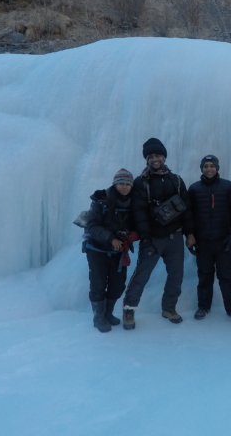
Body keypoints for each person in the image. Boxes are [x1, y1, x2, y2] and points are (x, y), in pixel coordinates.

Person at [122, 138, 195, 329]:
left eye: (158, 155)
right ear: (146, 160)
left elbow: (187, 210)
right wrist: (146, 237)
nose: (155, 159)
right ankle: (129, 310)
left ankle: (169, 308)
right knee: (141, 275)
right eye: (151, 156)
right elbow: (138, 213)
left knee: (176, 276)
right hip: (153, 238)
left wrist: (189, 234)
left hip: (175, 236)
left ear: (164, 157)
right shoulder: (141, 183)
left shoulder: (176, 180)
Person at [188, 155, 231, 323]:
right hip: (203, 242)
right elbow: (188, 215)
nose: (209, 169)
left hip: (223, 241)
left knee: (227, 276)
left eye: (212, 166)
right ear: (201, 168)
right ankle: (203, 307)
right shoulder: (194, 189)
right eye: (206, 166)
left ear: (217, 168)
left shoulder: (228, 186)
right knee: (204, 276)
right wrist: (190, 235)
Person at [84, 168, 138, 333]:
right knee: (98, 283)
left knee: (117, 285)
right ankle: (98, 317)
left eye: (127, 184)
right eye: (121, 183)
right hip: (97, 250)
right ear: (115, 184)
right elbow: (91, 225)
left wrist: (134, 235)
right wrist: (110, 238)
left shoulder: (135, 202)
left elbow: (138, 224)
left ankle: (108, 313)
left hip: (119, 252)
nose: (124, 187)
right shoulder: (101, 201)